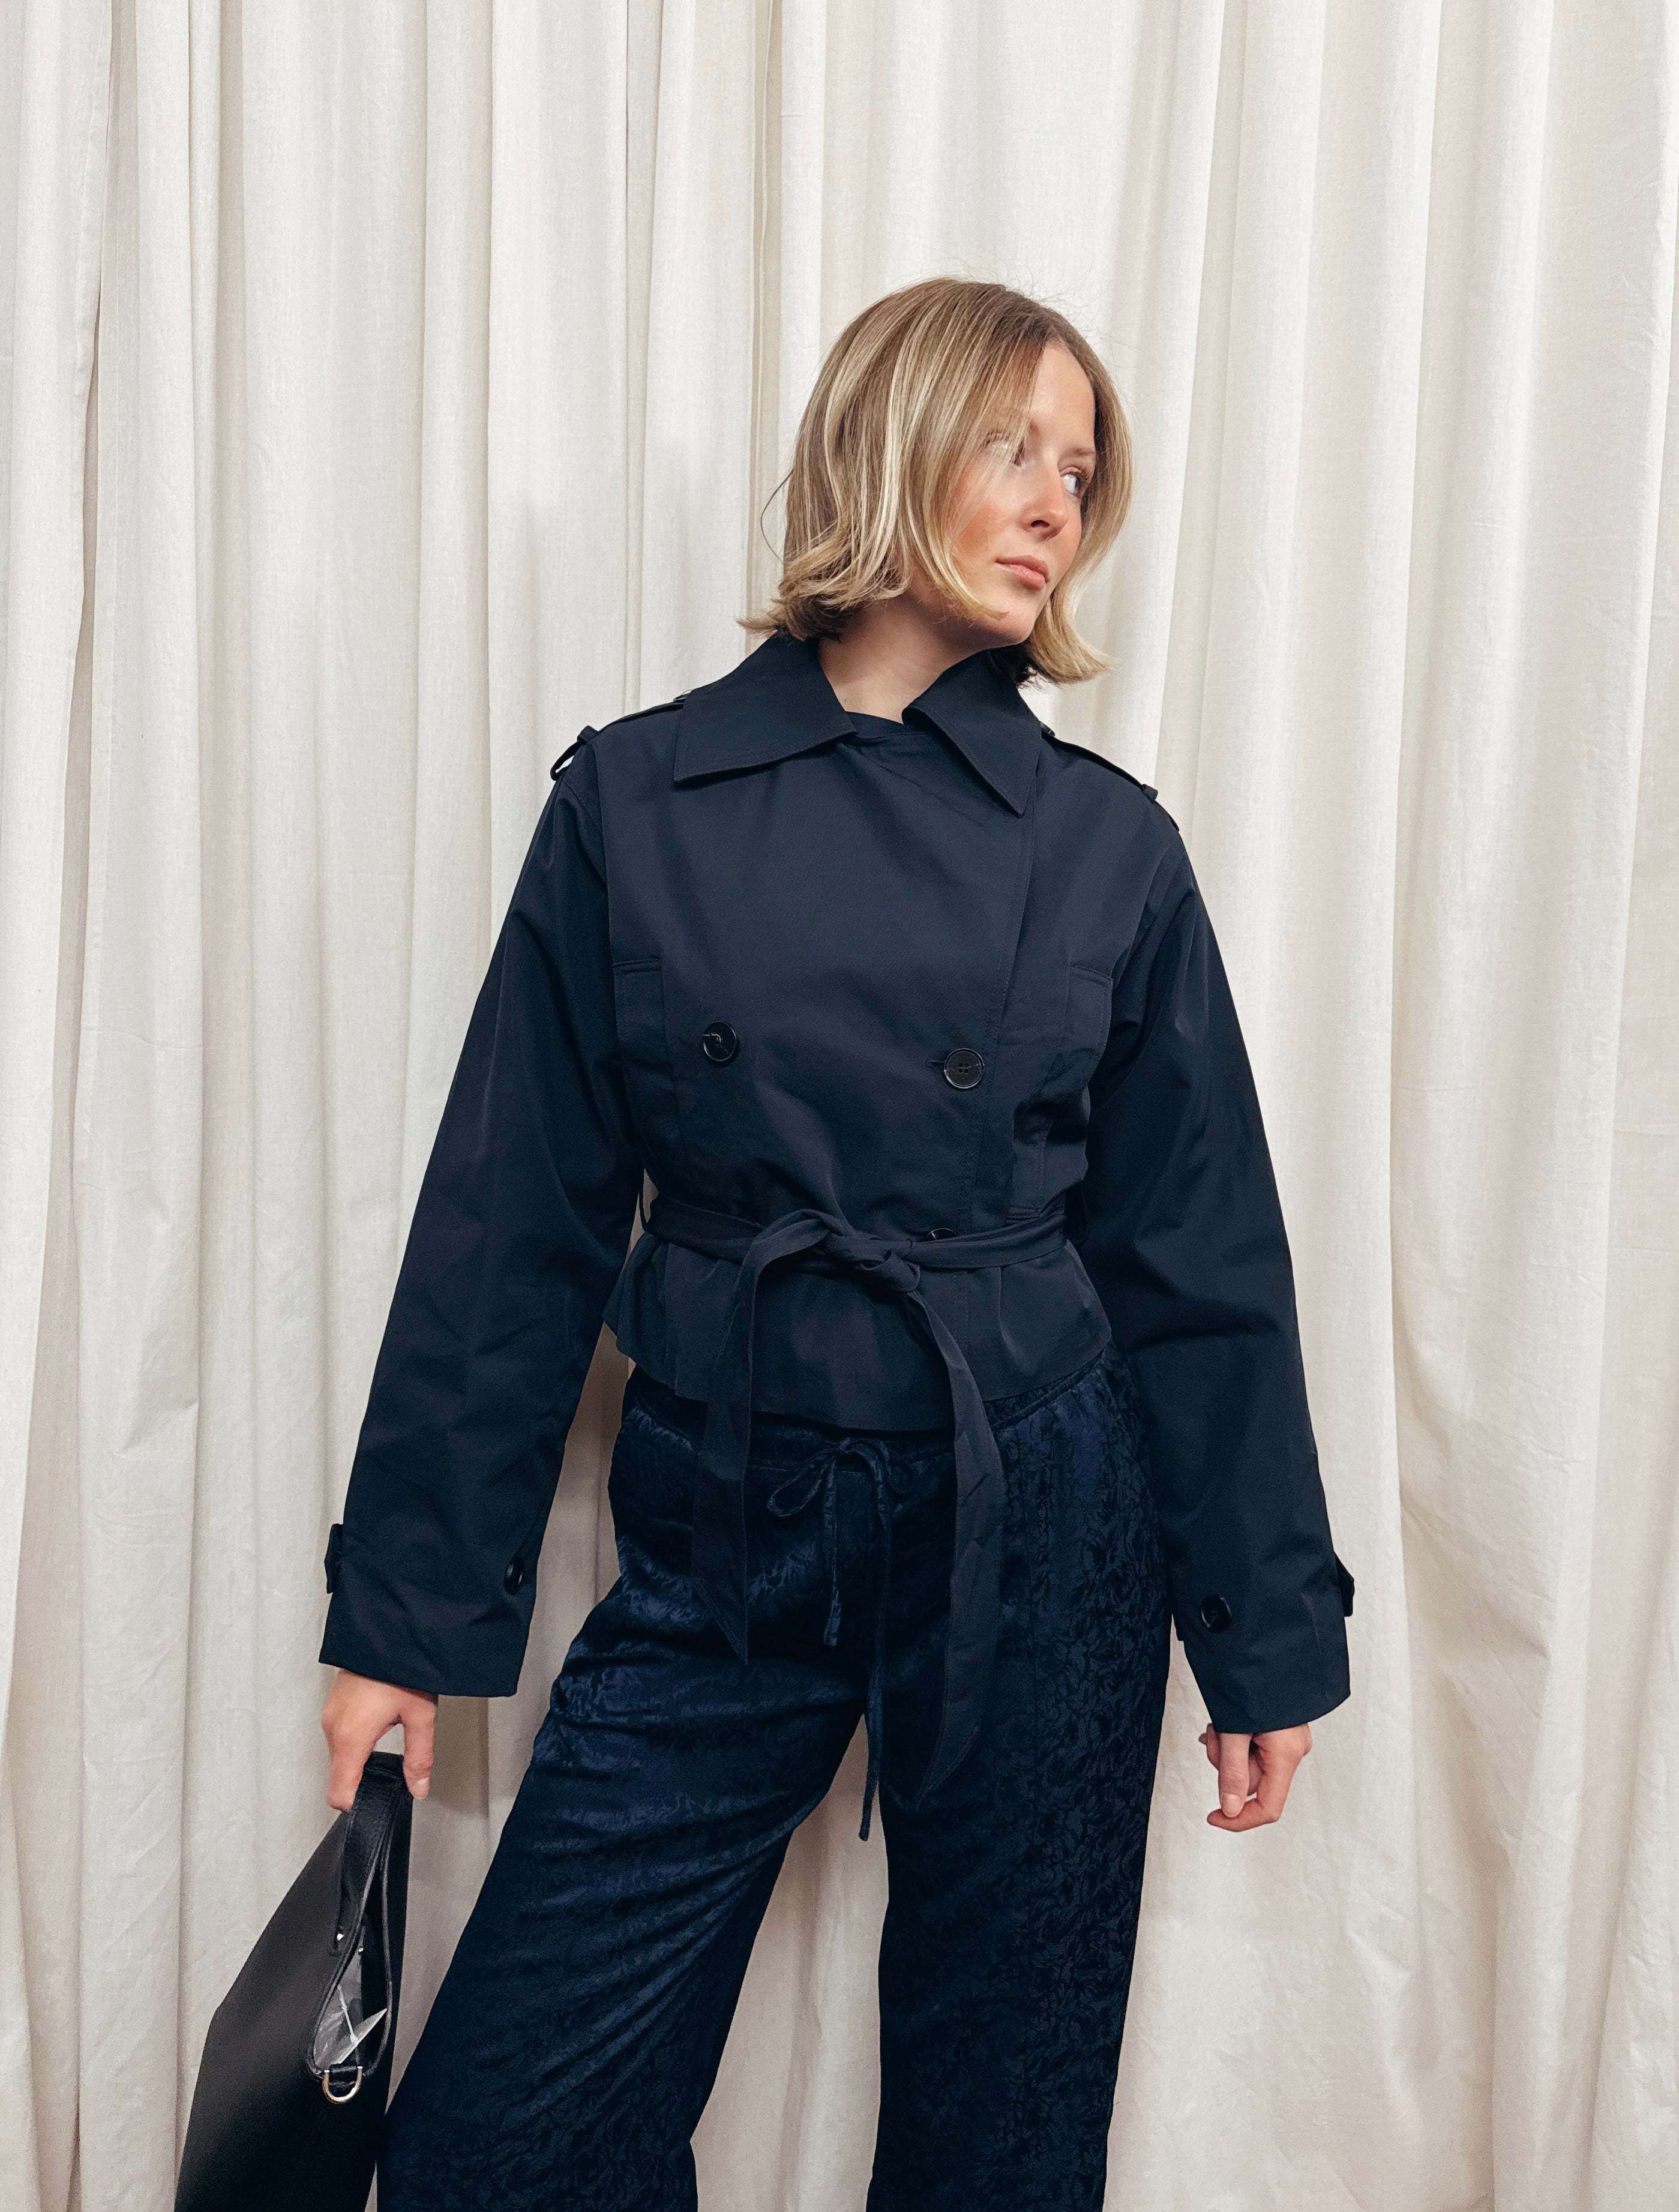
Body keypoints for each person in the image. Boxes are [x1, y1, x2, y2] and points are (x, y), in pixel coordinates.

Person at [317, 276, 1355, 2210]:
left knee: (1002, 2130)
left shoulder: (1106, 847)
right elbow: (511, 1229)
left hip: (1039, 1508)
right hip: (729, 1509)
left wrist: (1267, 1627)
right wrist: (401, 1615)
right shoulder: (639, 802)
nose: (1054, 502)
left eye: (1081, 471)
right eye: (1011, 445)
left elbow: (1198, 1261)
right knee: (495, 2145)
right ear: (887, 444)